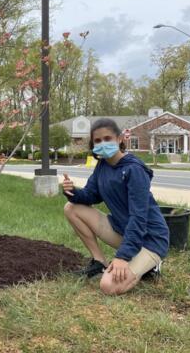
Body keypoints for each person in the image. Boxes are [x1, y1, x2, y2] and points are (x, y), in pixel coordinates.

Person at [62, 118, 169, 295]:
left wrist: (122, 257)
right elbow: (91, 195)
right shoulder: (102, 166)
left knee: (108, 286)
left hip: (150, 240)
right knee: (71, 208)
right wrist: (72, 191)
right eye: (97, 141)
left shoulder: (134, 170)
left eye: (107, 138)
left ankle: (151, 265)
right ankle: (99, 262)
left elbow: (139, 217)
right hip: (124, 231)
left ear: (119, 139)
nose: (103, 143)